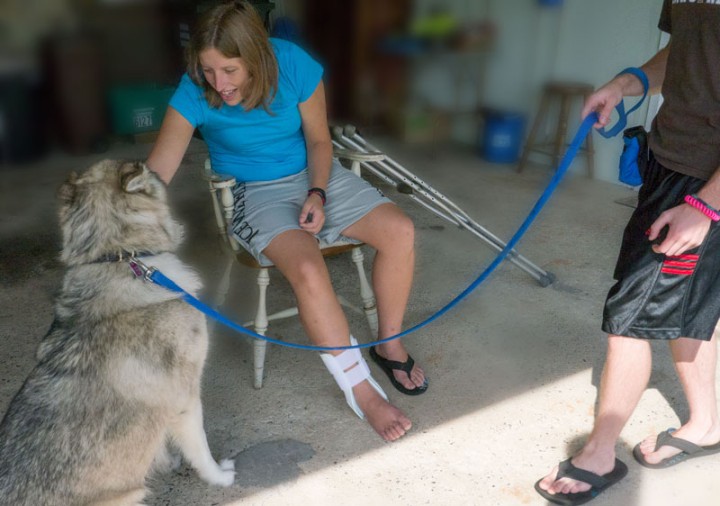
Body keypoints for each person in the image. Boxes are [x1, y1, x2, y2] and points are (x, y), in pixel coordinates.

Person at [146, 1, 428, 442]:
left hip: (315, 176)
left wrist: (318, 191)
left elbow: (319, 140)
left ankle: (388, 345)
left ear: (257, 58)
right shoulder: (193, 90)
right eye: (208, 70)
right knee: (309, 268)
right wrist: (125, 222)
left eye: (230, 71)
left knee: (400, 231)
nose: (218, 84)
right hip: (255, 191)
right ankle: (361, 390)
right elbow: (158, 171)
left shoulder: (293, 64)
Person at [536, 1, 720, 503]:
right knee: (685, 308)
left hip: (704, 184)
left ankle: (598, 452)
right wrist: (626, 83)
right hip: (669, 161)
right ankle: (706, 423)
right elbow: (684, 51)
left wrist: (706, 205)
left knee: (629, 315)